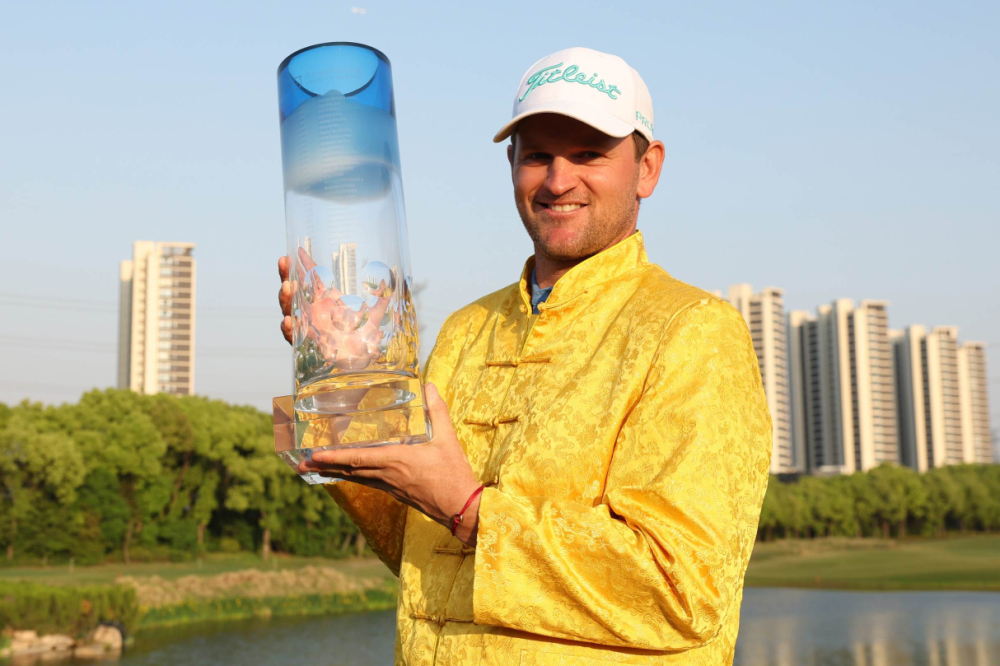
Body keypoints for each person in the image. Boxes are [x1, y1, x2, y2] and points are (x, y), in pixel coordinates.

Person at [276, 47, 772, 666]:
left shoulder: (692, 331)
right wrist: (345, 380)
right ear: (511, 164)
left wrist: (471, 509)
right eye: (537, 154)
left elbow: (683, 593)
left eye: (589, 153)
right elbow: (417, 547)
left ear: (648, 168)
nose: (559, 179)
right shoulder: (465, 330)